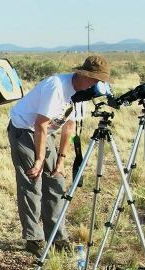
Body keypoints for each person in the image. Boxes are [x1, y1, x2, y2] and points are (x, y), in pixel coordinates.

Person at [7, 56, 112, 258]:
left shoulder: (83, 94)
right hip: (25, 128)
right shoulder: (56, 87)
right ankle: (33, 238)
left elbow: (69, 127)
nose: (98, 84)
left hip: (47, 132)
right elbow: (40, 124)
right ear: (83, 75)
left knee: (56, 181)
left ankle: (56, 236)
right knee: (32, 181)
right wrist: (39, 160)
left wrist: (61, 159)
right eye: (96, 80)